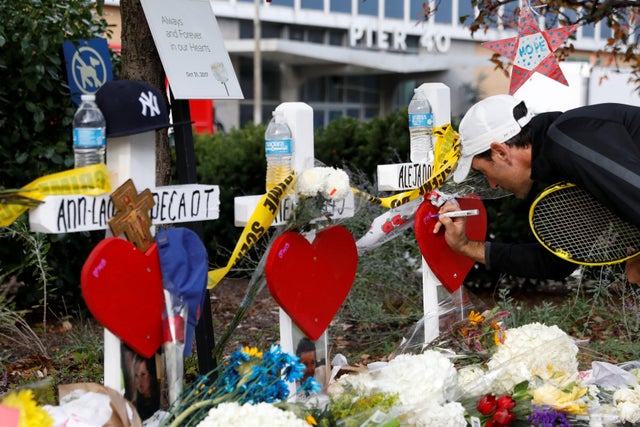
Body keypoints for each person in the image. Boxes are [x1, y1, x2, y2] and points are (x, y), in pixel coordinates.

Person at [434, 94, 640, 284]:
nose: (492, 185)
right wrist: (465, 246)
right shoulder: (561, 165)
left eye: (485, 172)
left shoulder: (569, 136)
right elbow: (555, 262)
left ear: (500, 153)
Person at [130, 355, 161, 420]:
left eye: (143, 374)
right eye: (136, 376)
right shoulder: (132, 406)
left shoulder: (161, 400)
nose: (139, 380)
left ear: (151, 375)